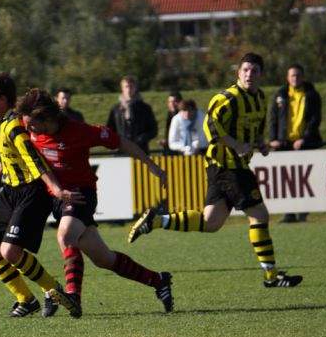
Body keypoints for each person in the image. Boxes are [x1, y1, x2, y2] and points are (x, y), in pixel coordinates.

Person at [128, 52, 303, 289]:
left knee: (211, 222)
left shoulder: (260, 98)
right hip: (228, 166)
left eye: (254, 71)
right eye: (245, 70)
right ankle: (271, 276)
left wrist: (260, 143)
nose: (249, 74)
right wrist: (236, 145)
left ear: (261, 74)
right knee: (259, 215)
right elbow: (210, 127)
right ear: (238, 73)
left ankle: (156, 220)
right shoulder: (228, 98)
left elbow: (256, 126)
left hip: (227, 167)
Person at [16, 88, 174, 316]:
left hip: (81, 194)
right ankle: (158, 280)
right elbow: (15, 144)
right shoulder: (29, 128)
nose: (28, 128)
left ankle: (73, 296)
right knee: (103, 258)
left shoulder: (79, 131)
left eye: (32, 124)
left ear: (47, 118)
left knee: (65, 236)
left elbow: (121, 142)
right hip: (58, 199)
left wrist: (151, 165)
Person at [0, 72, 82, 318]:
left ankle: (54, 291)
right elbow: (12, 152)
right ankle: (26, 300)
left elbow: (35, 160)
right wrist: (5, 164)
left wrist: (56, 189)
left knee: (10, 252)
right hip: (10, 190)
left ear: (3, 100)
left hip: (31, 191)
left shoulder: (15, 126)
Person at [268, 64, 323, 223]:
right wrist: (273, 138)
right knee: (286, 180)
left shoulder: (311, 94)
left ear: (303, 76)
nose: (295, 78)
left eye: (298, 75)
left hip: (304, 144)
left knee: (305, 180)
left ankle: (303, 212)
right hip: (284, 144)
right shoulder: (281, 94)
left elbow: (315, 120)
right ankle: (289, 213)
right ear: (287, 77)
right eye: (292, 75)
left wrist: (304, 138)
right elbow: (273, 118)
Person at [106, 75, 158, 155]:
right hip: (121, 151)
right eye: (126, 86)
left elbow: (153, 130)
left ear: (135, 88)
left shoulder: (145, 108)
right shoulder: (116, 109)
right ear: (122, 88)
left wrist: (141, 138)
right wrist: (117, 141)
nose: (129, 89)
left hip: (140, 150)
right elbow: (109, 130)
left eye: (131, 86)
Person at [160, 90, 183, 156]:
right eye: (170, 102)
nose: (172, 104)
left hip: (179, 152)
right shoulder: (169, 115)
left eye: (174, 101)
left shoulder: (183, 116)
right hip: (169, 151)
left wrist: (168, 141)